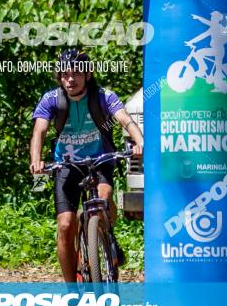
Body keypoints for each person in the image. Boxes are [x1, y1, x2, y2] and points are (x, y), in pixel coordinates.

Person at [29, 49, 144, 284]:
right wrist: (36, 159)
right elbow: (39, 131)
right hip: (67, 165)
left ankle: (106, 235)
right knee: (65, 225)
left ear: (88, 75)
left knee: (104, 196)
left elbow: (125, 119)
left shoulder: (104, 96)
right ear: (60, 77)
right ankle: (72, 289)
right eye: (65, 74)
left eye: (77, 74)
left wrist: (140, 141)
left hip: (100, 160)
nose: (71, 79)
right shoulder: (52, 100)